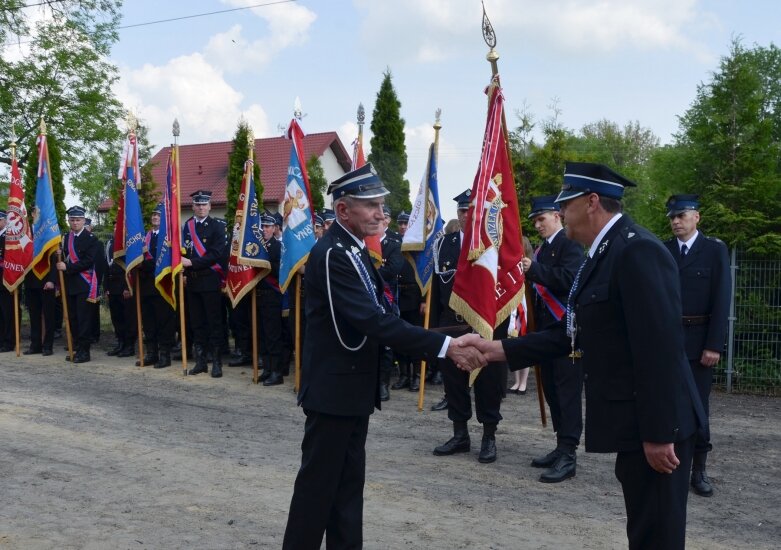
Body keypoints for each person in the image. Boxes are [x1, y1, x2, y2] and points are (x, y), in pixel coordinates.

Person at [469, 162, 706, 550]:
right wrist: (498, 349)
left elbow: (660, 350)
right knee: (644, 533)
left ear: (592, 202)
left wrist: (661, 433)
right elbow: (573, 334)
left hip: (661, 429)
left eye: (566, 203)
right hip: (637, 425)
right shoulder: (603, 253)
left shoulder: (636, 250)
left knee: (657, 537)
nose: (560, 213)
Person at [282, 163, 485, 550]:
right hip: (333, 395)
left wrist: (454, 335)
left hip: (352, 392)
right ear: (343, 211)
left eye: (381, 205)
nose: (380, 213)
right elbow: (372, 321)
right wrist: (446, 348)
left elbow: (383, 318)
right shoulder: (332, 254)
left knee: (346, 494)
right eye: (371, 205)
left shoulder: (354, 249)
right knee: (316, 493)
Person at [430, 189, 508, 464]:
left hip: (486, 327)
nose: (466, 215)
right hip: (452, 325)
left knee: (488, 383)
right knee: (454, 383)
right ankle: (460, 434)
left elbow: (503, 293)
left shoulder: (494, 245)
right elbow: (438, 293)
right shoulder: (444, 244)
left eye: (472, 210)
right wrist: (435, 332)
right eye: (462, 211)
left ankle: (489, 436)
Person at [664, 194, 730, 498]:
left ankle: (699, 468)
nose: (676, 221)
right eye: (672, 217)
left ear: (696, 217)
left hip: (699, 341)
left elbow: (721, 299)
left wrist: (714, 344)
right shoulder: (664, 251)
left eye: (682, 215)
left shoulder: (714, 250)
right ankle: (671, 463)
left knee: (698, 407)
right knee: (667, 403)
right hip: (668, 342)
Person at [520, 195, 585, 483]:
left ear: (557, 216)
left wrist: (533, 270)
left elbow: (569, 280)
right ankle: (560, 446)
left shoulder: (570, 244)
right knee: (551, 389)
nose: (537, 224)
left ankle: (569, 453)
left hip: (567, 332)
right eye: (534, 221)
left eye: (541, 219)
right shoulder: (542, 250)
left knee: (566, 391)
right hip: (546, 330)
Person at [181, 190, 227, 378]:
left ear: (210, 206)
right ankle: (200, 362)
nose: (200, 207)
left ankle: (216, 362)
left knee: (214, 323)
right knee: (196, 323)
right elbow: (184, 249)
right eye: (197, 204)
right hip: (192, 282)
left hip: (209, 281)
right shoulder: (187, 226)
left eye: (204, 204)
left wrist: (191, 263)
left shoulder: (217, 226)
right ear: (192, 206)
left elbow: (216, 254)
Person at [56, 206, 101, 363]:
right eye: (72, 220)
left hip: (84, 284)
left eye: (78, 220)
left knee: (83, 320)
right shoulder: (66, 238)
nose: (75, 223)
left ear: (83, 220)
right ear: (69, 221)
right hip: (70, 284)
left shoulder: (91, 239)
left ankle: (85, 352)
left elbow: (88, 261)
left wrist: (67, 267)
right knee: (72, 318)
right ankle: (76, 348)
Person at [139, 204, 177, 369]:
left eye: (158, 215)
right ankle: (151, 354)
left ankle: (165, 355)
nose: (155, 217)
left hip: (162, 285)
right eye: (153, 215)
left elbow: (161, 262)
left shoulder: (167, 238)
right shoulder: (145, 237)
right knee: (149, 323)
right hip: (146, 286)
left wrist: (145, 263)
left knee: (164, 322)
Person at [257, 212, 285, 386]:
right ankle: (266, 369)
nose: (265, 229)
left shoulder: (278, 247)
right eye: (263, 226)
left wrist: (263, 263)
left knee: (273, 336)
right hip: (258, 296)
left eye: (268, 226)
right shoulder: (256, 246)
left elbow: (279, 271)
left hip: (272, 296)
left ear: (275, 228)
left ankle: (277, 372)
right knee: (262, 336)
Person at [0, 210, 15, 351]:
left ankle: (9, 341)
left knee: (7, 311)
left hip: (6, 279)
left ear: (5, 221)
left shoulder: (9, 236)